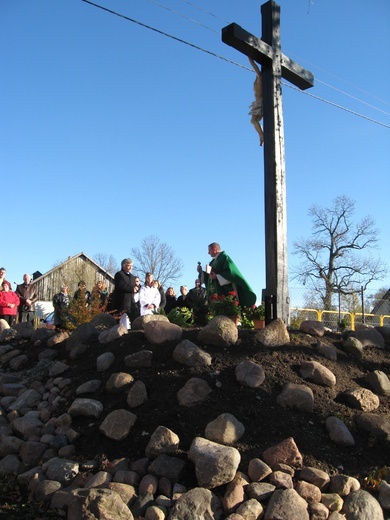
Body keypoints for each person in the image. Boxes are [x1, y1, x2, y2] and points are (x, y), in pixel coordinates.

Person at [198, 242, 256, 308]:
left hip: (225, 292)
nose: (208, 253)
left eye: (209, 250)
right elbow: (208, 276)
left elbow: (230, 273)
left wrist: (217, 276)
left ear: (214, 249)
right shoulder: (212, 262)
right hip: (215, 293)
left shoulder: (224, 257)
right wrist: (201, 272)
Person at [248, 57, 264, 146]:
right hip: (257, 102)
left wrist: (250, 58)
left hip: (260, 102)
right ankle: (261, 135)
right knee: (254, 121)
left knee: (254, 120)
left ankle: (262, 135)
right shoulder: (258, 78)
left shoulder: (260, 77)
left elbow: (256, 69)